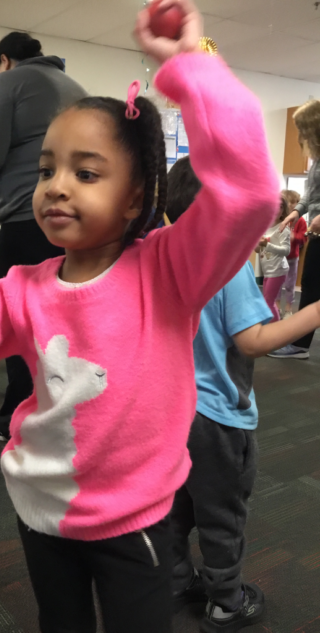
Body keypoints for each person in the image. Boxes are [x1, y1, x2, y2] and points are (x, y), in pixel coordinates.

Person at [0, 1, 280, 630]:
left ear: (135, 196)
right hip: (42, 512)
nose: (56, 185)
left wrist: (190, 68)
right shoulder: (22, 289)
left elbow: (249, 192)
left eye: (86, 172)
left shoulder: (171, 270)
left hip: (136, 518)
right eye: (46, 169)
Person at [166, 157, 320, 633]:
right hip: (217, 419)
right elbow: (253, 340)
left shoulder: (164, 255)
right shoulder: (229, 267)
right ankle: (226, 602)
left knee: (175, 506)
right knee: (223, 514)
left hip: (170, 411)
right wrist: (315, 311)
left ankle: (175, 579)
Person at [0, 31, 87, 443]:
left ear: (3, 60)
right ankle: (71, 413)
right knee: (69, 324)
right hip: (80, 228)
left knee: (22, 324)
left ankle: (18, 416)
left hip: (27, 221)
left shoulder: (8, 82)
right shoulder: (77, 90)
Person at [270, 100, 320, 359]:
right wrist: (295, 212)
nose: (300, 135)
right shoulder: (317, 160)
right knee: (311, 284)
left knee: (311, 285)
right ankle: (300, 344)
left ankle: (299, 344)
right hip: (318, 234)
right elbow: (310, 195)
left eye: (303, 129)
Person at [255, 196, 290, 322]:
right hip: (268, 269)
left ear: (283, 210)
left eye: (281, 206)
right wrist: (257, 245)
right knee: (268, 301)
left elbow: (286, 250)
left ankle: (274, 327)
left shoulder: (283, 228)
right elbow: (258, 250)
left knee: (268, 302)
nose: (277, 209)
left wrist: (267, 245)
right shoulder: (265, 226)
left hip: (278, 270)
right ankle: (273, 324)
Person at [275, 190, 306, 319]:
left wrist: (294, 236)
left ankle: (288, 308)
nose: (293, 206)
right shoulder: (279, 219)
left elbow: (303, 237)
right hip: (278, 257)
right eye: (291, 203)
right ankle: (276, 307)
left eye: (295, 203)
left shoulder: (300, 221)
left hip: (292, 258)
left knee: (290, 284)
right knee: (276, 283)